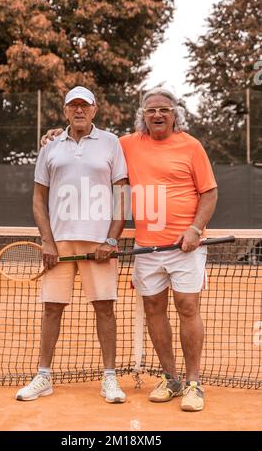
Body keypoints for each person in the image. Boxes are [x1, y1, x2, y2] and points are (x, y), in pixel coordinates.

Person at [41, 87, 218, 412]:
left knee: (187, 307)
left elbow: (209, 193)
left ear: (175, 113)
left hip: (186, 246)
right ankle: (171, 378)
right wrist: (56, 134)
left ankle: (193, 383)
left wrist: (194, 230)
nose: (158, 115)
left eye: (164, 109)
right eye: (151, 110)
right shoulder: (123, 144)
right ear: (143, 115)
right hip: (147, 247)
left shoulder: (192, 146)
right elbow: (87, 141)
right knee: (154, 310)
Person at [16, 86, 128, 403]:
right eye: (73, 105)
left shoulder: (111, 142)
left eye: (85, 105)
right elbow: (39, 199)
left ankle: (109, 378)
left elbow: (122, 194)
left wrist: (110, 239)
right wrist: (47, 241)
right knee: (52, 309)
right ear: (65, 110)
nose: (79, 110)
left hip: (99, 245)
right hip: (58, 246)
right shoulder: (50, 147)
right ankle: (43, 376)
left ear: (95, 109)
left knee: (104, 308)